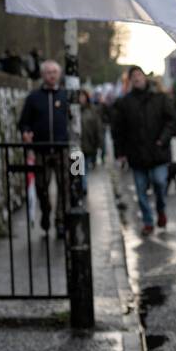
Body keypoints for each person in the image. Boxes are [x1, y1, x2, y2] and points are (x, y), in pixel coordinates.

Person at [111, 66, 176, 237]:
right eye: (133, 76)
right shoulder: (125, 102)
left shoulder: (159, 98)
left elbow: (171, 121)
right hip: (136, 154)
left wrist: (163, 139)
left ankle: (161, 209)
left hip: (158, 151)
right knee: (141, 191)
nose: (137, 78)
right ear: (130, 80)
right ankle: (148, 221)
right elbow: (118, 129)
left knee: (160, 182)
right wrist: (120, 152)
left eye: (139, 75)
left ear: (145, 77)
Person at [17, 59, 69, 237]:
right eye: (48, 72)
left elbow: (75, 120)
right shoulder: (33, 98)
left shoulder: (66, 96)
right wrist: (26, 132)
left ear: (59, 74)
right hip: (41, 150)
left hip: (63, 150)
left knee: (66, 186)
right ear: (42, 75)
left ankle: (61, 222)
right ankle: (46, 212)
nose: (52, 75)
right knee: (41, 187)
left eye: (55, 72)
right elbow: (23, 122)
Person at [78, 89, 104, 195]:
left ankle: (83, 187)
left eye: (83, 96)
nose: (81, 99)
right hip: (76, 146)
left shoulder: (92, 110)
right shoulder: (73, 110)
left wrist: (99, 143)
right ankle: (80, 187)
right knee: (77, 168)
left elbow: (97, 127)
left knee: (83, 168)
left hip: (89, 145)